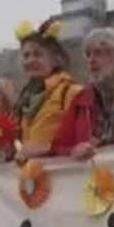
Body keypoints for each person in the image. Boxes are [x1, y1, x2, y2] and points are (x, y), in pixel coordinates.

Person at [54, 27, 114, 159]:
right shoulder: (81, 99)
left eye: (100, 53)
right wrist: (73, 151)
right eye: (88, 54)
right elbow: (58, 147)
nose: (91, 60)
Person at [14, 20, 81, 159]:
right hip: (31, 171)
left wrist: (48, 149)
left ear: (55, 60)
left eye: (38, 55)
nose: (30, 60)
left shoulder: (71, 92)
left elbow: (81, 139)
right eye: (26, 56)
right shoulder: (22, 101)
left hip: (63, 169)